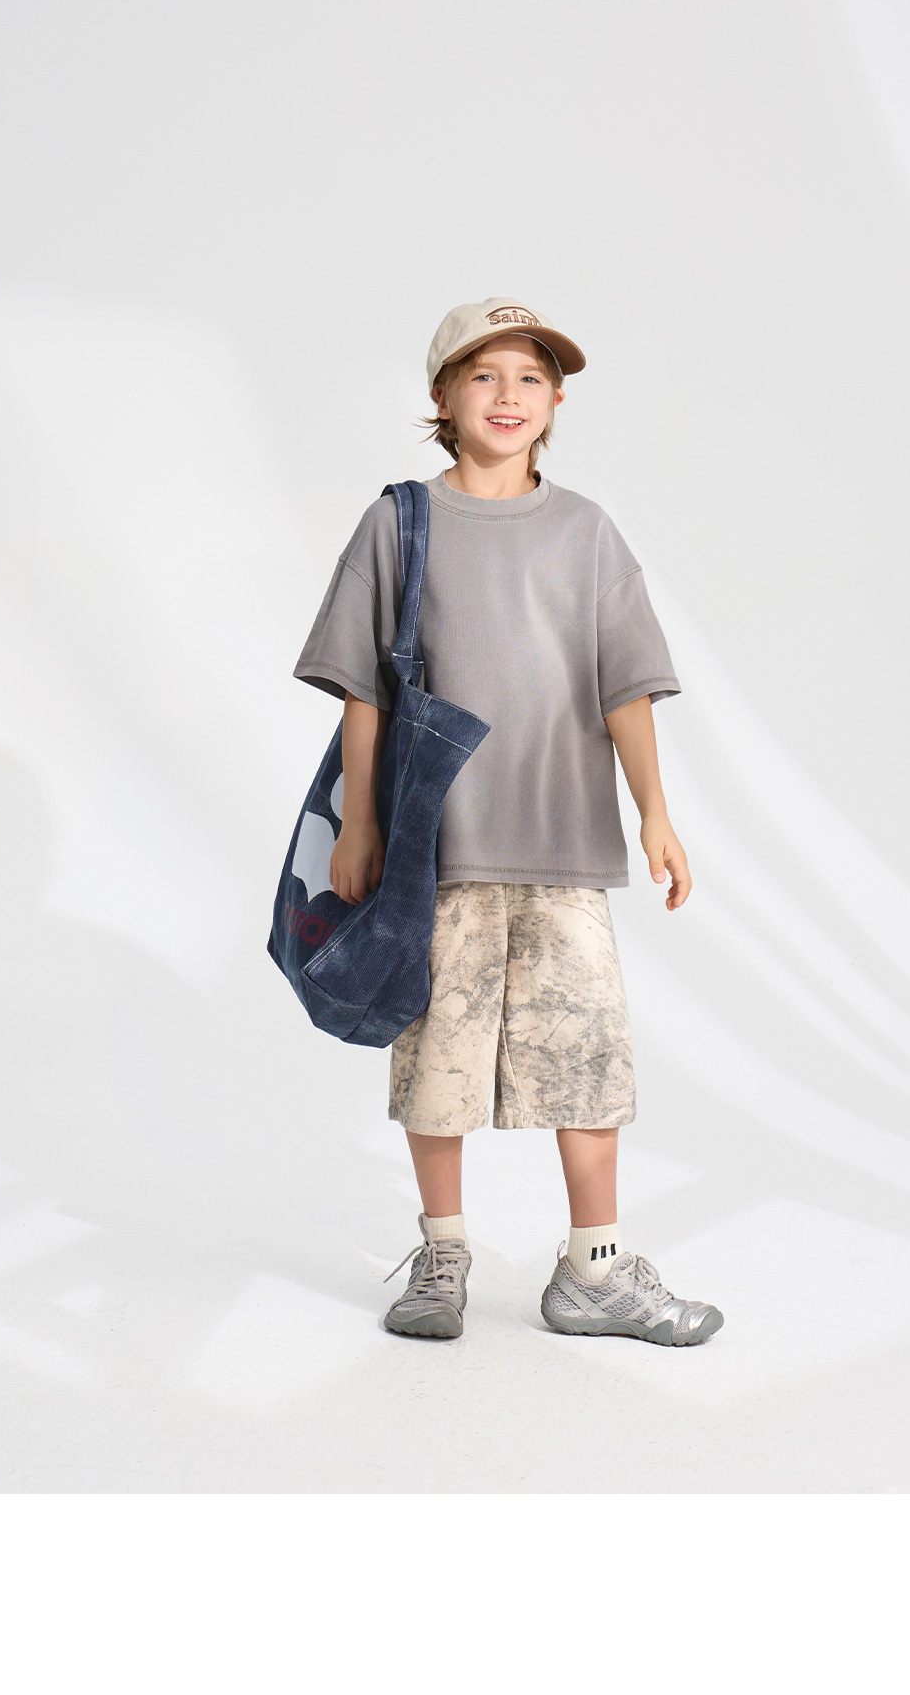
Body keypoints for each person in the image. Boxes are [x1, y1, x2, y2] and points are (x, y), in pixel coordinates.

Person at [293, 297, 723, 1348]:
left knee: (588, 1058)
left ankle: (595, 1270)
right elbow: (365, 692)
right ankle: (443, 1253)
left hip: (564, 843)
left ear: (557, 402)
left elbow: (625, 684)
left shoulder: (585, 530)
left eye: (530, 377)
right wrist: (358, 825)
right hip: (436, 848)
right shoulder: (400, 523)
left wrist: (655, 813)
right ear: (442, 398)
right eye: (482, 374)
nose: (507, 395)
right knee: (435, 1062)